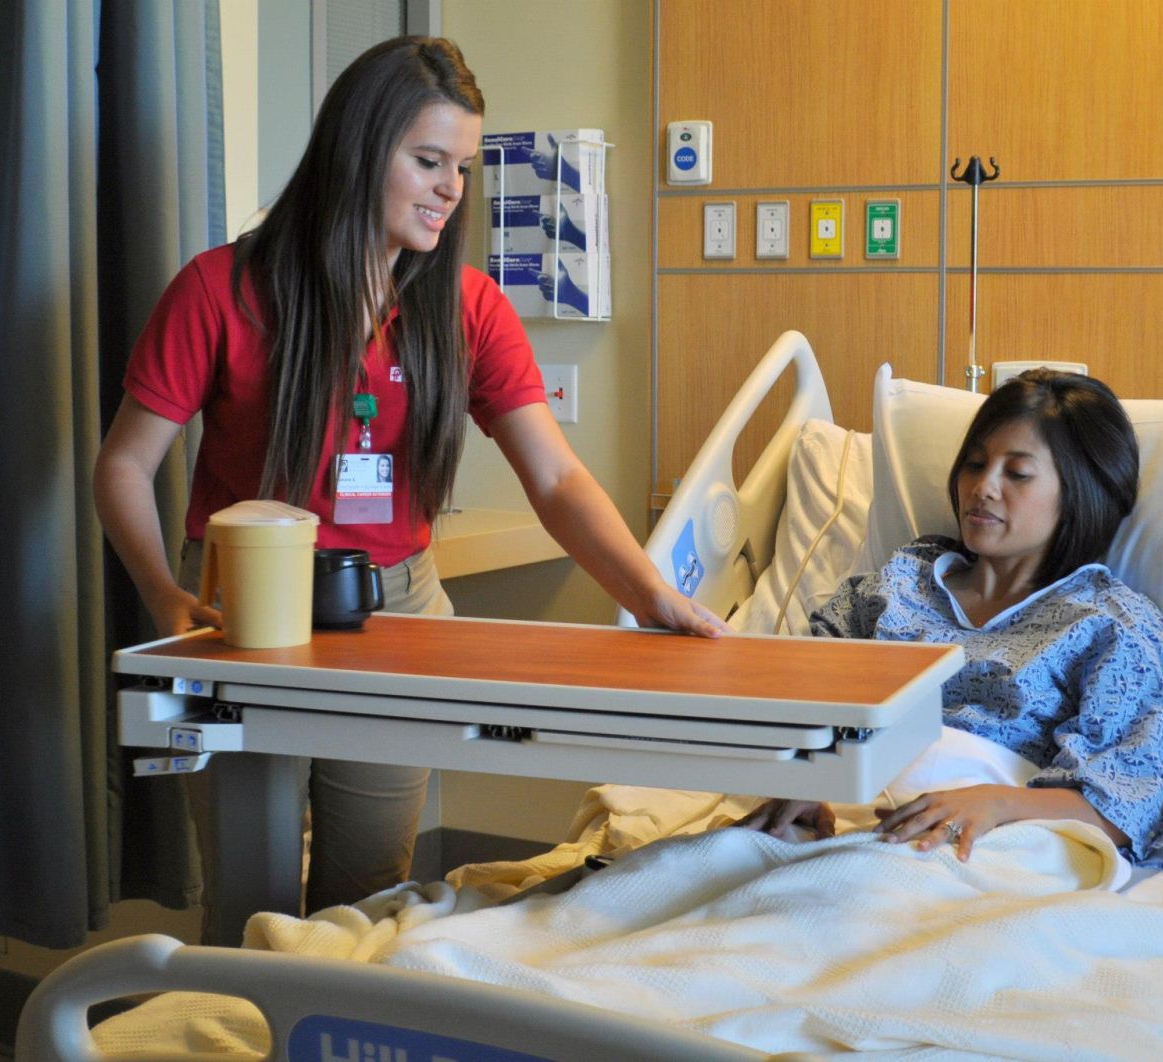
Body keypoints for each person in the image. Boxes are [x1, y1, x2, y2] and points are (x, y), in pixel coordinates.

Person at [94, 36, 724, 944]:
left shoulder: (464, 307)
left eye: (461, 168)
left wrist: (652, 595)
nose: (450, 189)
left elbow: (553, 476)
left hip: (398, 606)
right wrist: (164, 593)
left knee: (364, 894)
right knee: (249, 893)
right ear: (358, 152)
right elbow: (122, 466)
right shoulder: (220, 290)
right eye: (428, 161)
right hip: (241, 611)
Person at [737, 370, 1163, 868]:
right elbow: (806, 698)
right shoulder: (901, 584)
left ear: (1081, 491)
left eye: (1016, 473)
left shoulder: (1112, 627)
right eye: (974, 465)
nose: (982, 487)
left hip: (986, 844)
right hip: (844, 825)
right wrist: (809, 779)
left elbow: (1121, 806)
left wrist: (994, 802)